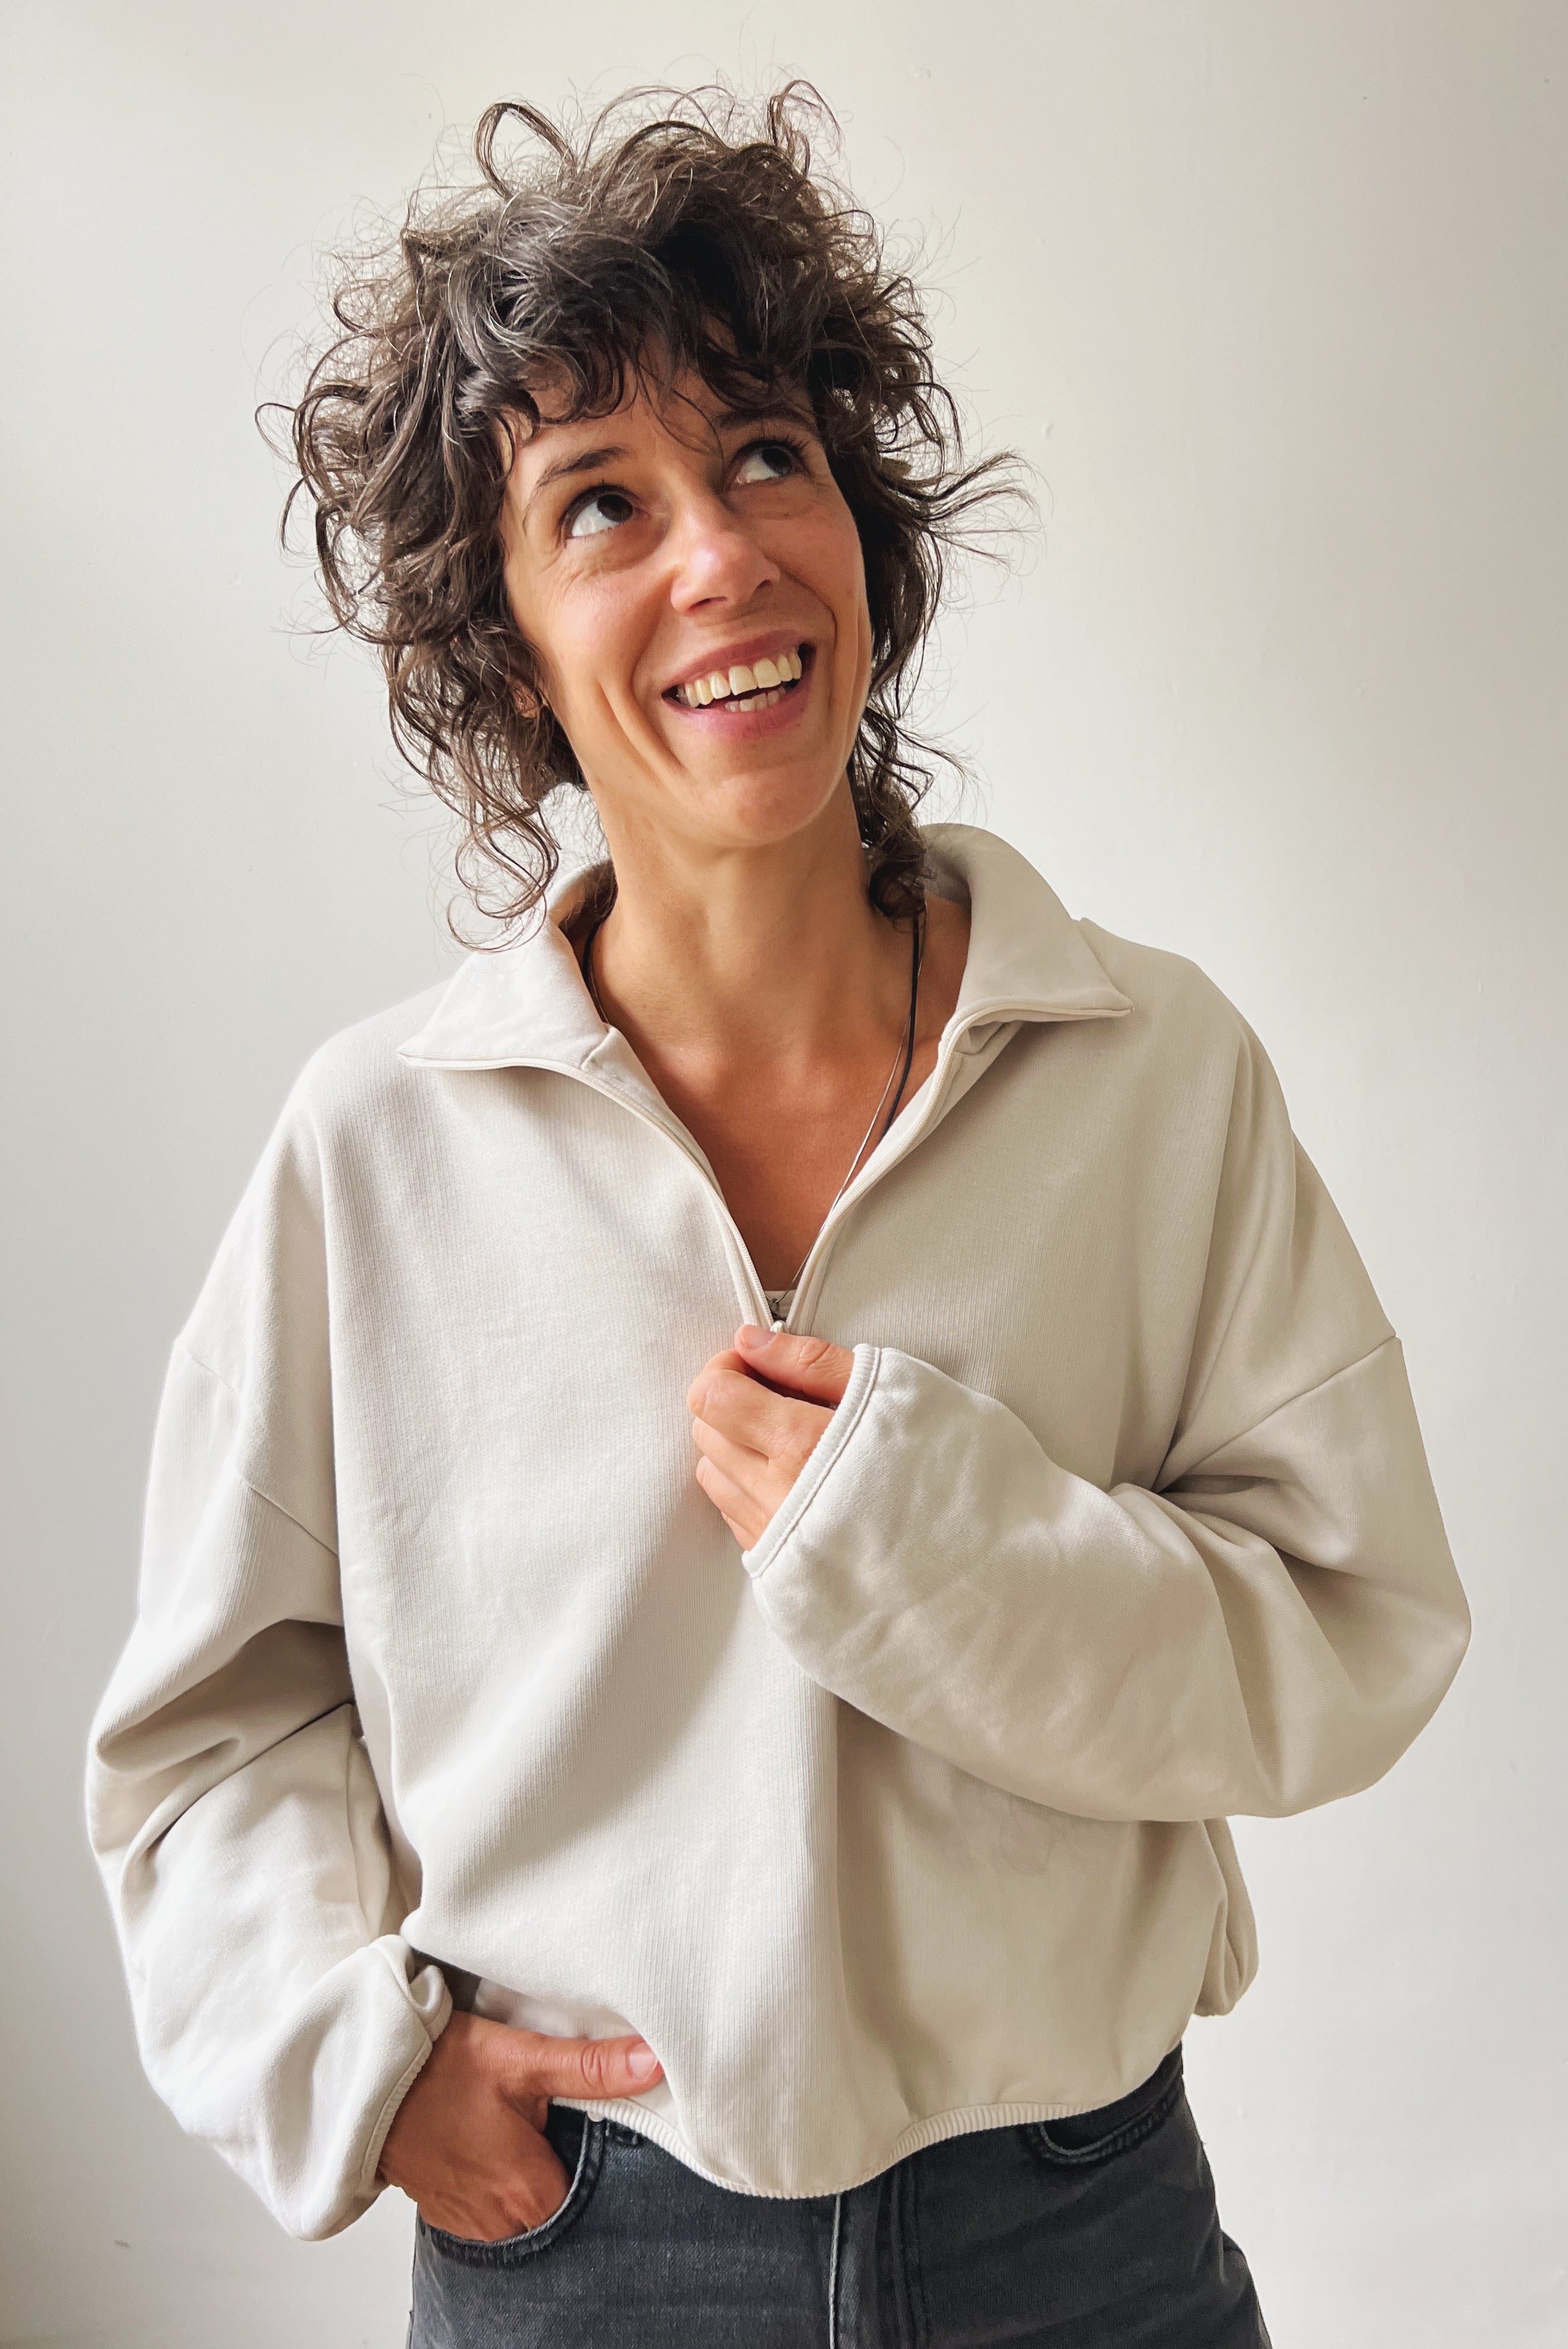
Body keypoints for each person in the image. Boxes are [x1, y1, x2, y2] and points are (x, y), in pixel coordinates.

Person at [86, 87, 1470, 2348]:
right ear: (507, 643)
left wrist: (927, 1543)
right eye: (599, 505)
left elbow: (1351, 1627)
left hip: (1078, 2235)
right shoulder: (374, 1150)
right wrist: (363, 2064)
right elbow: (213, 1730)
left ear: (861, 529)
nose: (718, 557)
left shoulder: (1151, 1069)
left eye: (762, 455)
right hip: (582, 2256)